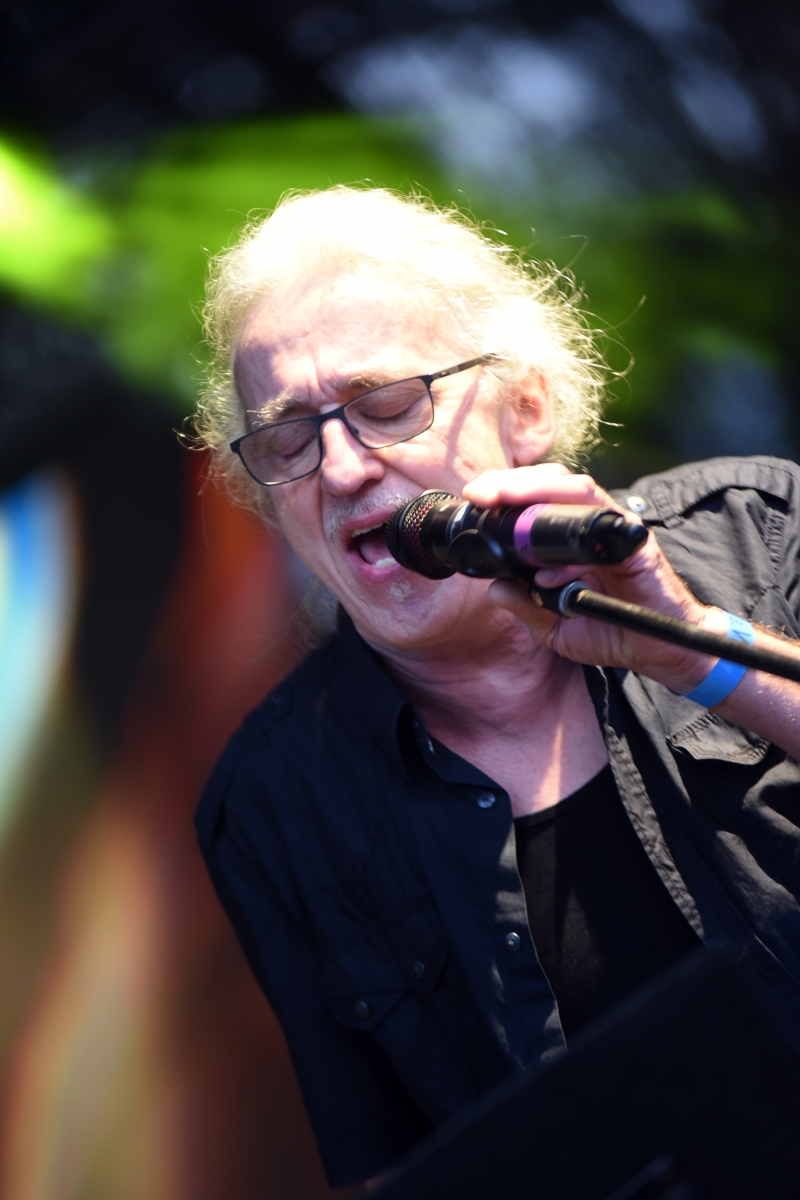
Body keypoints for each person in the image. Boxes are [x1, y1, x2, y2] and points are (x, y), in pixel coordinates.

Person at [193, 187, 800, 1189]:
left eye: (385, 402)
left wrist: (696, 652)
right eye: (287, 438)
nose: (339, 468)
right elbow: (388, 1166)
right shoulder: (273, 802)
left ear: (525, 408)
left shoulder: (756, 527)